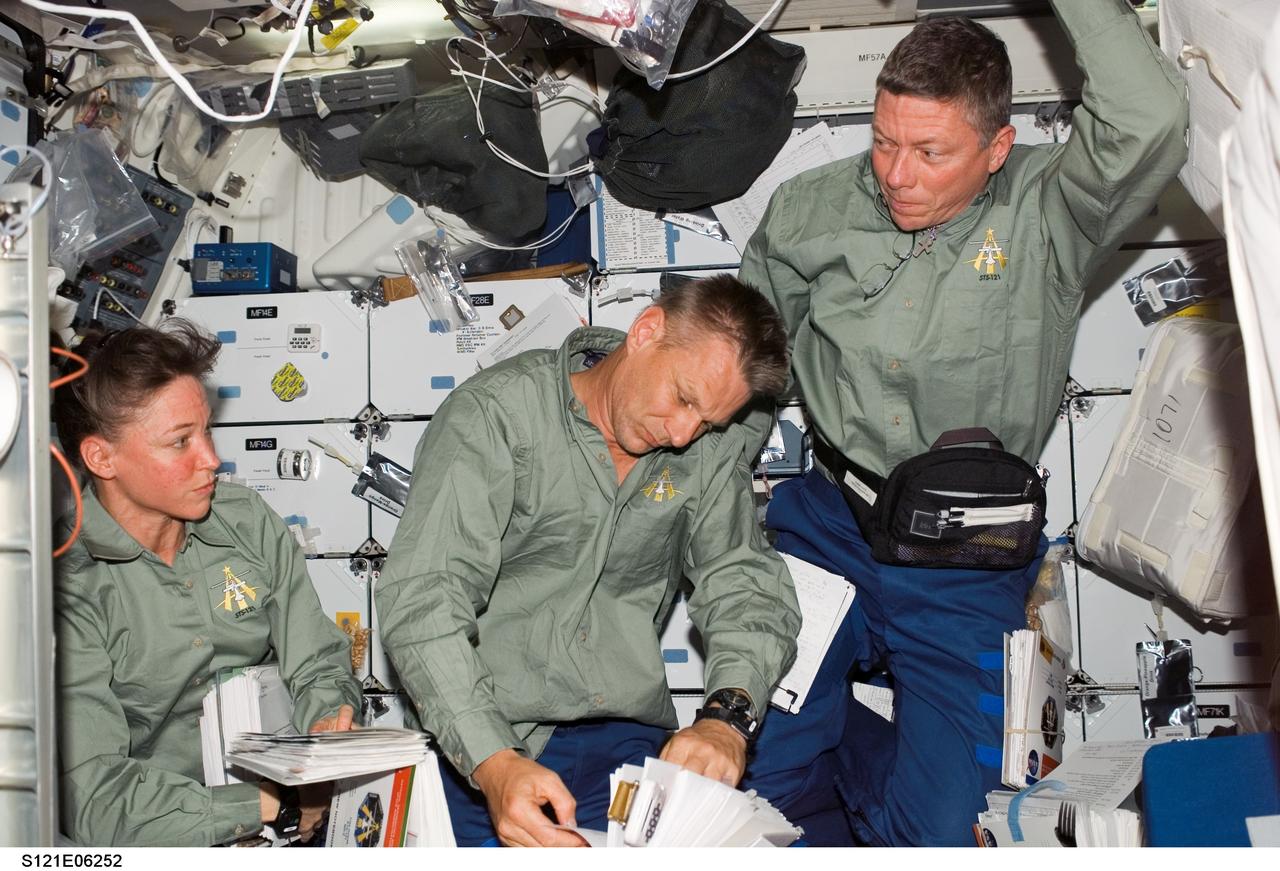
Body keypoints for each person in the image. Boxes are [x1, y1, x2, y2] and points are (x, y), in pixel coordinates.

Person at [737, 0, 1188, 846]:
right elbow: (739, 371)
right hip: (828, 527)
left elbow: (1153, 119)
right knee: (750, 788)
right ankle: (817, 738)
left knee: (948, 832)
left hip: (965, 554)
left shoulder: (1053, 210)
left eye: (931, 152)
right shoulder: (808, 213)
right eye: (883, 141)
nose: (896, 174)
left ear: (997, 150)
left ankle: (860, 749)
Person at [376, 274, 801, 847]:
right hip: (488, 739)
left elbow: (746, 586)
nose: (682, 434)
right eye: (683, 398)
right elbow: (426, 600)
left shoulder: (707, 450)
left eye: (707, 422)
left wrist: (727, 719)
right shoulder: (495, 418)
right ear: (647, 332)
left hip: (624, 742)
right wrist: (495, 763)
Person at [52, 322, 363, 846]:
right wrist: (270, 804)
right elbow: (93, 794)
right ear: (101, 458)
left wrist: (331, 720)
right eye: (180, 442)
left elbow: (315, 659)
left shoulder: (246, 521)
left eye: (206, 431)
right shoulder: (65, 585)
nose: (212, 460)